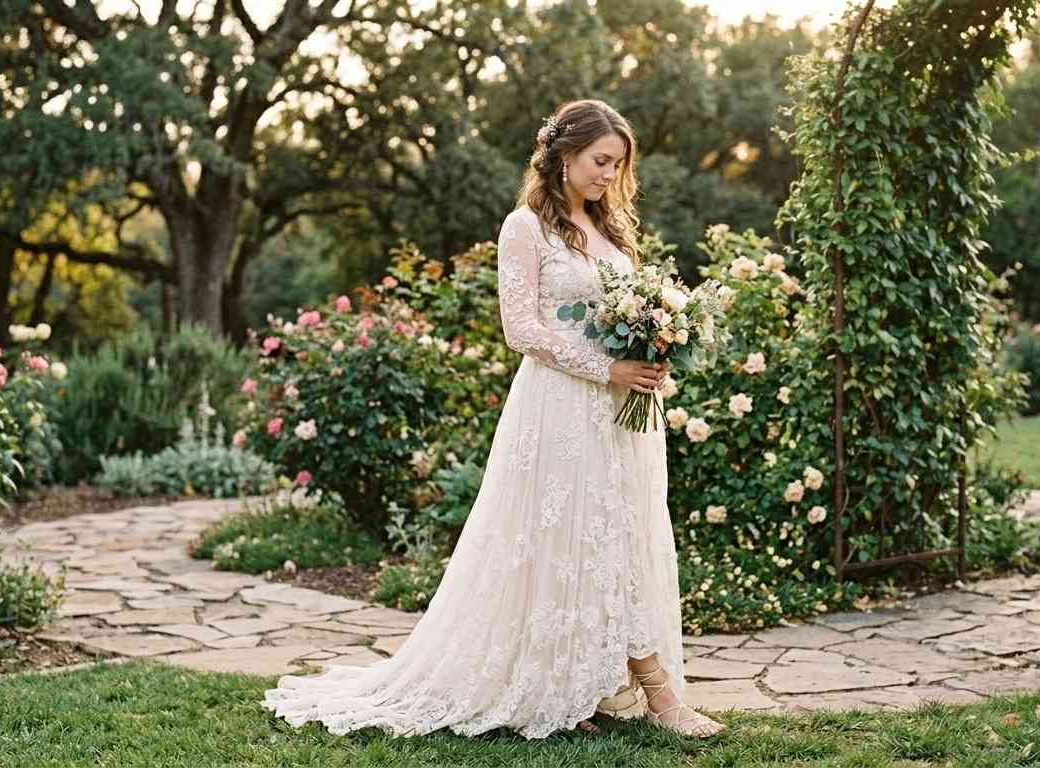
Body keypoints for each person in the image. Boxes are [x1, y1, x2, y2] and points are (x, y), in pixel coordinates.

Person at [261, 98, 725, 740]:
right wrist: (605, 368)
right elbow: (522, 329)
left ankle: (629, 687)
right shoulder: (523, 228)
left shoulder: (613, 231)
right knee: (561, 544)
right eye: (599, 161)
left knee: (622, 540)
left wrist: (652, 349)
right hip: (559, 407)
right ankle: (593, 691)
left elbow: (628, 310)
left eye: (616, 165)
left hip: (620, 417)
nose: (607, 175)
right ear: (563, 156)